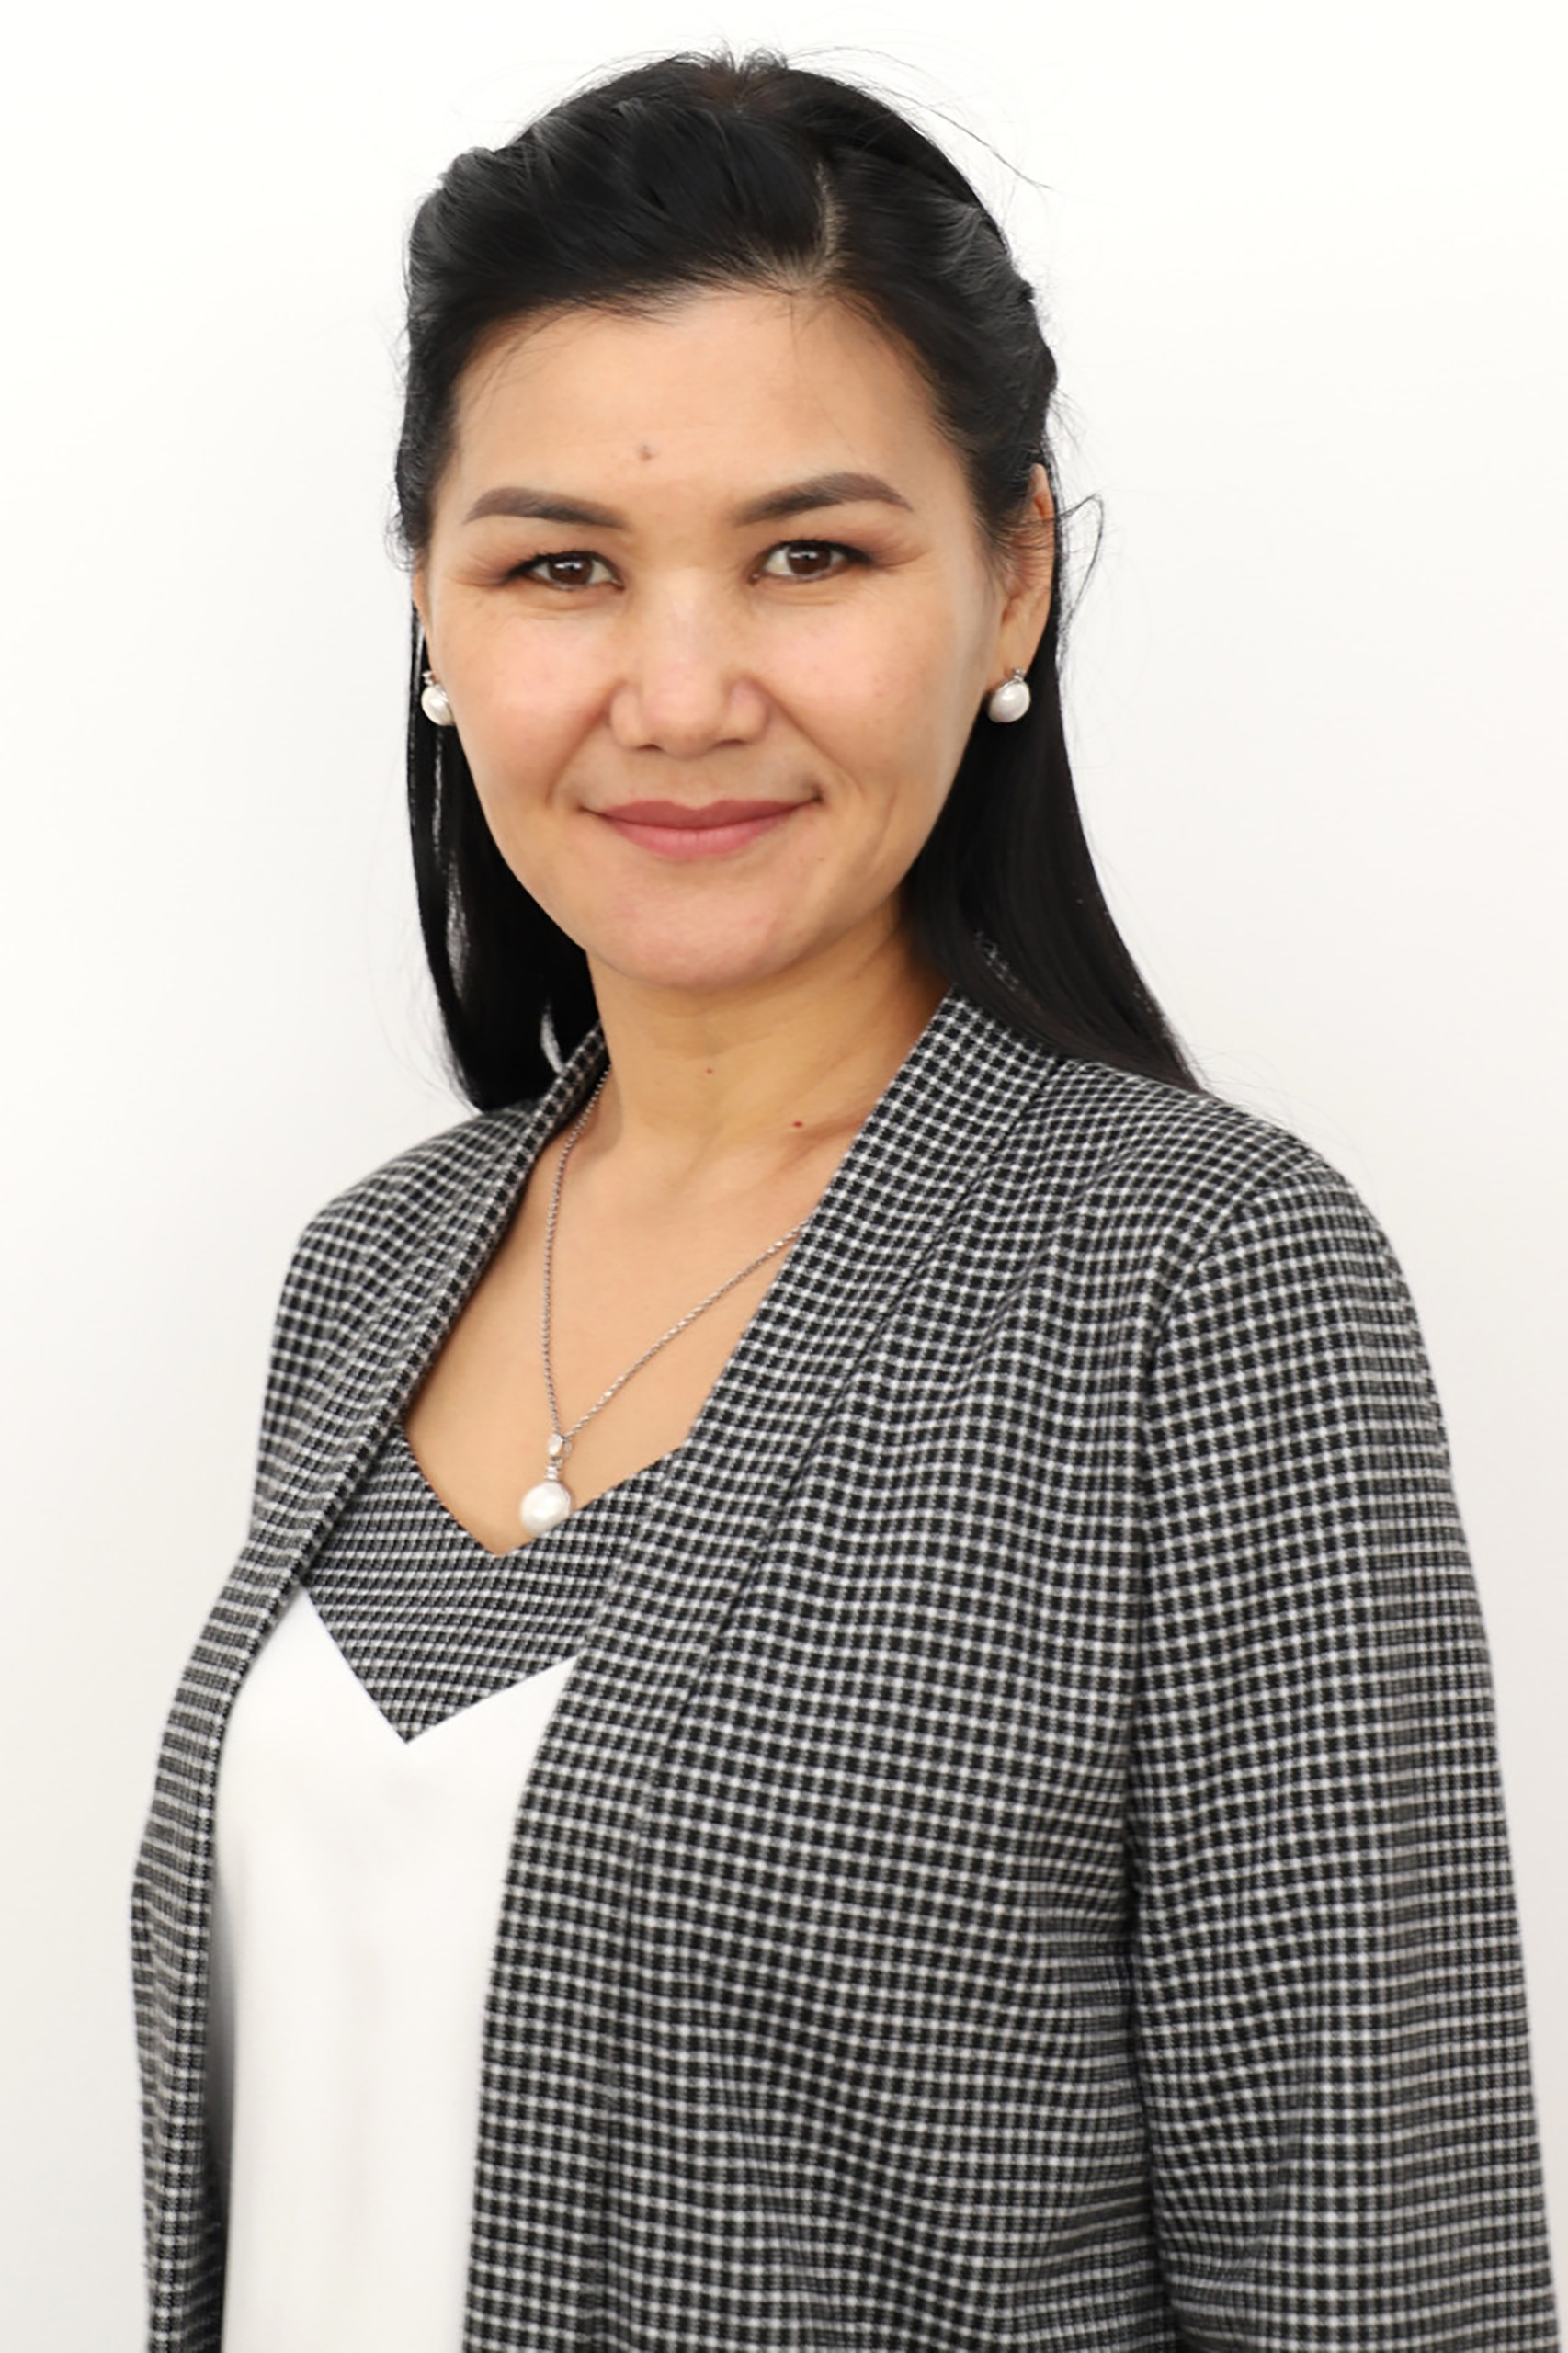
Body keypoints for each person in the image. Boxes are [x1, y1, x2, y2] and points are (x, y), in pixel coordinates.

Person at [131, 49, 1557, 2353]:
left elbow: (1378, 2271)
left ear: (1011, 582)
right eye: (560, 566)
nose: (682, 692)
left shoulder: (1199, 1282)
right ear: (430, 615)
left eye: (811, 554)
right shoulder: (369, 1269)